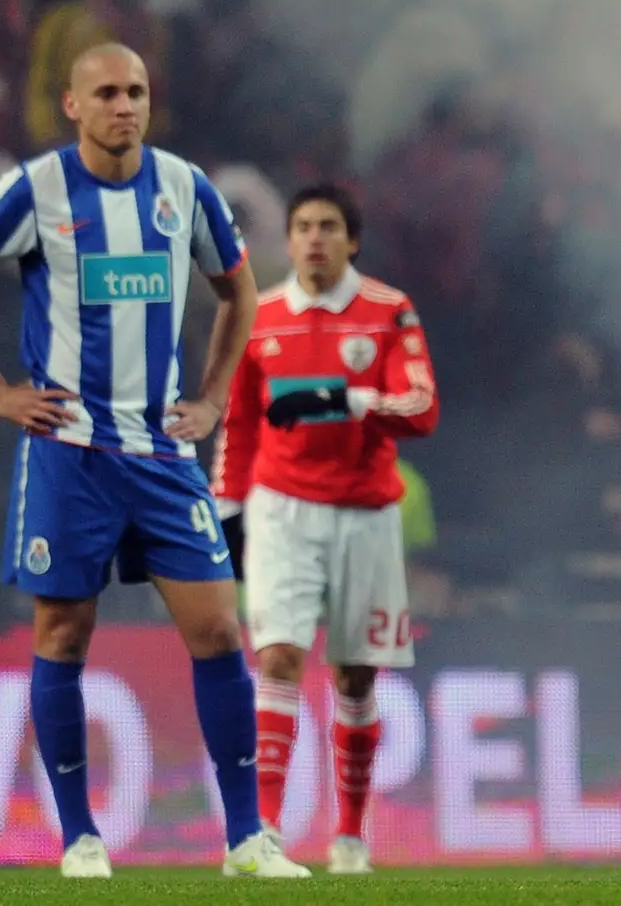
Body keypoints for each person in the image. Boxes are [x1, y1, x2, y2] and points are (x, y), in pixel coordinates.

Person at [0, 42, 307, 878]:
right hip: (70, 454)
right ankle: (81, 839)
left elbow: (239, 291)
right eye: (108, 93)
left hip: (163, 453)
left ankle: (246, 840)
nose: (125, 105)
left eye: (136, 91)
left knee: (218, 630)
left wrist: (210, 399)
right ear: (72, 106)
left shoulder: (184, 187)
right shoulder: (36, 190)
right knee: (63, 632)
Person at [212, 183, 440, 875]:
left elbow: (423, 408)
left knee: (355, 677)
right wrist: (227, 512)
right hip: (280, 510)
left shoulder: (387, 310)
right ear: (288, 240)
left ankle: (349, 836)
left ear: (352, 240)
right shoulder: (261, 316)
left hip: (365, 513)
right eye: (303, 226)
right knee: (277, 658)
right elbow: (239, 424)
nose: (314, 237)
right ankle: (265, 835)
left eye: (329, 226)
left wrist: (350, 397)